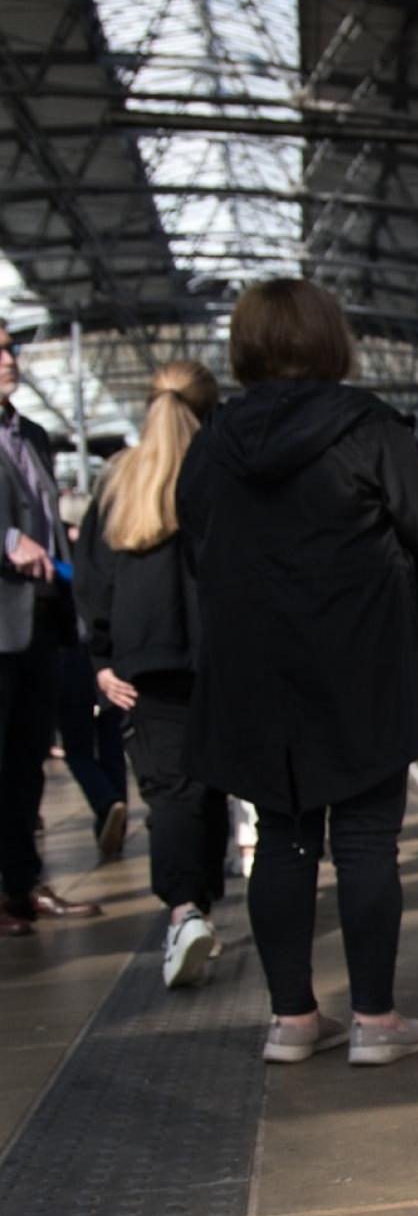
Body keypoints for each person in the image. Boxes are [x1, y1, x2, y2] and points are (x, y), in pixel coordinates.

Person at [178, 279, 418, 1064]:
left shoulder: (213, 443)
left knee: (282, 840)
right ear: (330, 340)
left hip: (256, 672)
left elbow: (195, 539)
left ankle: (293, 1022)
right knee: (368, 839)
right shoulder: (366, 428)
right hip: (359, 663)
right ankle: (374, 1023)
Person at [75, 361, 231, 986]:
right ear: (210, 407)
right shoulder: (223, 473)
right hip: (220, 662)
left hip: (143, 666)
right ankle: (201, 906)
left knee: (169, 792)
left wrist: (101, 661)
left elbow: (93, 582)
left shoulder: (118, 480)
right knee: (210, 783)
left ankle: (184, 912)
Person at [0, 321, 101, 936]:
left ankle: (21, 886)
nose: (7, 359)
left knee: (27, 759)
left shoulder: (32, 434)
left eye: (8, 347)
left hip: (37, 619)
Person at [57, 498, 129, 862]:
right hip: (109, 656)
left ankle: (106, 801)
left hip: (75, 655)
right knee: (111, 739)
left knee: (79, 748)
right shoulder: (108, 551)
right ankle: (117, 809)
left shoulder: (62, 563)